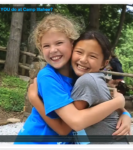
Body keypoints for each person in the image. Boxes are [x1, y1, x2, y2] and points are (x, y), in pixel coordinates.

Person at [15, 14, 130, 145]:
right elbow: (69, 126)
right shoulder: (48, 77)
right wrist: (118, 102)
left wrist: (125, 113)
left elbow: (100, 101)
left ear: (72, 44)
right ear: (40, 50)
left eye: (59, 43)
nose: (53, 50)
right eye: (46, 46)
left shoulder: (79, 72)